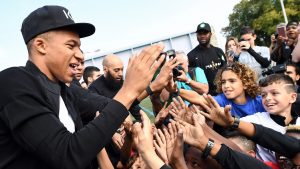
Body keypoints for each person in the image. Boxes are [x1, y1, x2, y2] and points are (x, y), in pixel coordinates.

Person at [0, 5, 167, 169]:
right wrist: (129, 90)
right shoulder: (13, 82)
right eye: (71, 45)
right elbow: (66, 155)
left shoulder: (66, 90)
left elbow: (109, 105)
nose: (81, 55)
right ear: (41, 45)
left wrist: (148, 87)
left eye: (79, 46)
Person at [199, 74, 299, 167]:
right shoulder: (255, 119)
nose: (268, 98)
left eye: (274, 93)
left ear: (292, 97)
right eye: (263, 95)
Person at [178, 62, 265, 118]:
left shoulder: (260, 102)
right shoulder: (222, 100)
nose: (226, 86)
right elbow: (199, 98)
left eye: (232, 81)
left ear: (245, 83)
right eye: (223, 82)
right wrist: (176, 90)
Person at [188, 22, 226, 95]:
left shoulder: (219, 51)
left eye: (205, 33)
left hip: (223, 93)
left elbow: (226, 70)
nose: (202, 36)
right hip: (205, 97)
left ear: (210, 34)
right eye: (200, 34)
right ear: (197, 35)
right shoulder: (191, 56)